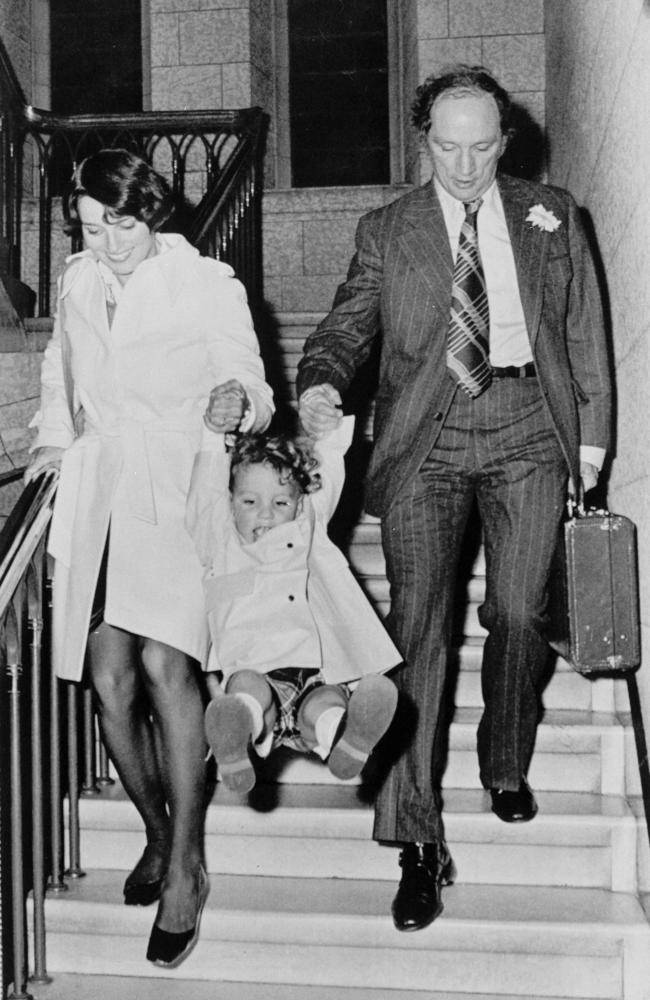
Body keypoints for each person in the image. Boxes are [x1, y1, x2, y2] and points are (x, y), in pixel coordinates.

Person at [296, 65, 611, 933]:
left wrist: (589, 445)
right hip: (425, 438)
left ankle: (504, 757)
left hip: (527, 427)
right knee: (417, 633)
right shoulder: (388, 228)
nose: (464, 166)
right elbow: (348, 322)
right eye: (446, 146)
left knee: (518, 610)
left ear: (504, 142)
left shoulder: (552, 215)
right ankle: (416, 841)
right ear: (422, 138)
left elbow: (583, 331)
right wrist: (322, 380)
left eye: (481, 147)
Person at [25, 149, 274, 968]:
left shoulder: (205, 282)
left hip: (179, 485)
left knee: (170, 668)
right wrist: (52, 450)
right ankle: (158, 830)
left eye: (120, 223)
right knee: (107, 677)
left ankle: (187, 868)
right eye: (91, 226)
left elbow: (250, 382)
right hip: (100, 493)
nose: (106, 241)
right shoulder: (74, 281)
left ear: (151, 211)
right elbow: (60, 378)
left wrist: (237, 403)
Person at [185, 418, 400, 792]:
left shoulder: (307, 529)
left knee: (327, 703)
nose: (265, 514)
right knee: (250, 691)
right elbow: (204, 492)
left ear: (299, 504)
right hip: (255, 668)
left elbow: (328, 472)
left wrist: (329, 429)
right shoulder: (219, 536)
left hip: (316, 670)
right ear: (230, 501)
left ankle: (346, 736)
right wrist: (213, 433)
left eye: (280, 502)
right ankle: (236, 736)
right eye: (249, 502)